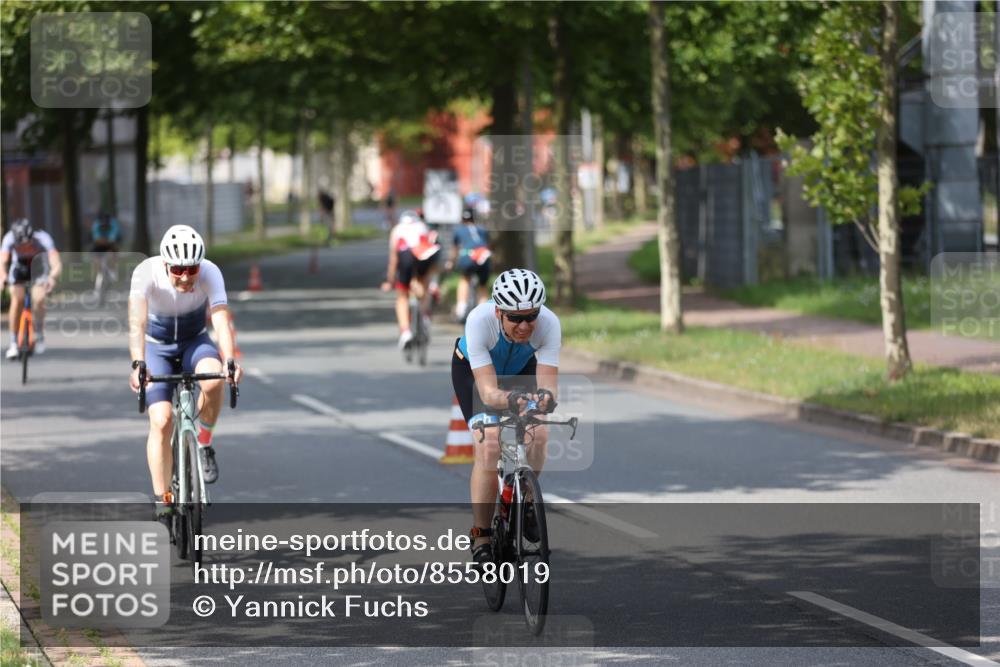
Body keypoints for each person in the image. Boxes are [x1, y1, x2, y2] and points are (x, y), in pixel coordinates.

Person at [128, 225, 243, 525]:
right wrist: (138, 363)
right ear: (165, 263)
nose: (185, 276)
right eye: (178, 268)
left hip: (195, 341)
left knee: (214, 377)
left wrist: (230, 359)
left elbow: (220, 319)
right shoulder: (145, 272)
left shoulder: (210, 272)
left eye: (191, 268)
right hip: (156, 349)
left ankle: (203, 443)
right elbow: (136, 323)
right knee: (163, 420)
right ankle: (162, 498)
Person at [450, 269, 560, 567]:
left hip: (520, 370)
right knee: (490, 444)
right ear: (499, 311)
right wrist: (511, 399)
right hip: (475, 374)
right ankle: (481, 534)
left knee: (539, 434)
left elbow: (548, 383)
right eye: (515, 318)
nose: (524, 326)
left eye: (531, 316)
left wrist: (546, 399)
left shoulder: (549, 324)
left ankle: (524, 501)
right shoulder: (478, 321)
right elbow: (487, 393)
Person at [380, 210, 441, 351]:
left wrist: (390, 280)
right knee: (423, 285)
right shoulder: (422, 226)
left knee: (402, 296)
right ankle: (425, 315)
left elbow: (394, 259)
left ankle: (405, 332)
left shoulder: (397, 230)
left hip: (405, 254)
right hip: (423, 254)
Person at [1, 218, 62, 358]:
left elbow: (56, 262)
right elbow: (2, 262)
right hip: (19, 269)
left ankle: (39, 332)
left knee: (39, 299)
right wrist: (3, 276)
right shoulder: (9, 239)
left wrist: (52, 277)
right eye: (20, 245)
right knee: (17, 300)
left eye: (28, 243)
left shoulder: (43, 238)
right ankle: (13, 343)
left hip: (38, 269)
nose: (25, 247)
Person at [446, 207, 491, 322]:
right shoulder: (482, 229)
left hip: (468, 256)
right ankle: (484, 313)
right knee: (482, 286)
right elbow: (487, 244)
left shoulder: (459, 229)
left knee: (464, 279)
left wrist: (451, 262)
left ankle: (461, 309)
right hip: (483, 256)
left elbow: (455, 249)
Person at [90, 210, 122, 286]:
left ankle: (113, 270)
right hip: (101, 242)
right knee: (96, 253)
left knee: (114, 250)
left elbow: (112, 240)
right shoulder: (96, 225)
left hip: (111, 242)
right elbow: (97, 240)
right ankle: (99, 273)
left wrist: (106, 242)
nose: (104, 227)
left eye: (106, 225)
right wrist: (103, 241)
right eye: (102, 225)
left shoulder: (114, 225)